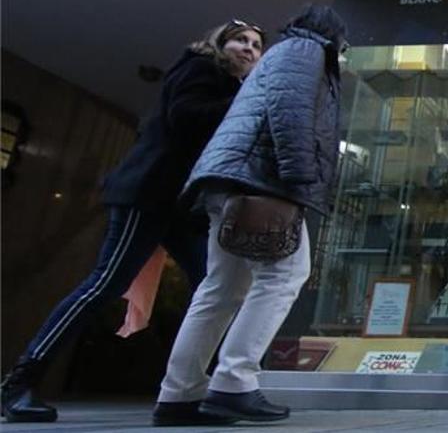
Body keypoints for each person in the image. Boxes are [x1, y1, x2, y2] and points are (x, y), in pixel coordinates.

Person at [0, 21, 264, 424]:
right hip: (149, 194)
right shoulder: (199, 68)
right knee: (106, 284)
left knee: (214, 289)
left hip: (180, 205)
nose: (249, 48)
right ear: (219, 43)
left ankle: (190, 392)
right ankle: (18, 383)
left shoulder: (228, 87)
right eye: (240, 40)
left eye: (256, 45)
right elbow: (186, 118)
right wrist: (245, 100)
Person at [154, 4, 346, 425]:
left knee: (221, 287)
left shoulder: (285, 51)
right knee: (285, 273)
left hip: (231, 180)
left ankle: (178, 394)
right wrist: (299, 178)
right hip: (262, 181)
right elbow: (291, 112)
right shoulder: (305, 51)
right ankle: (234, 382)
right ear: (333, 36)